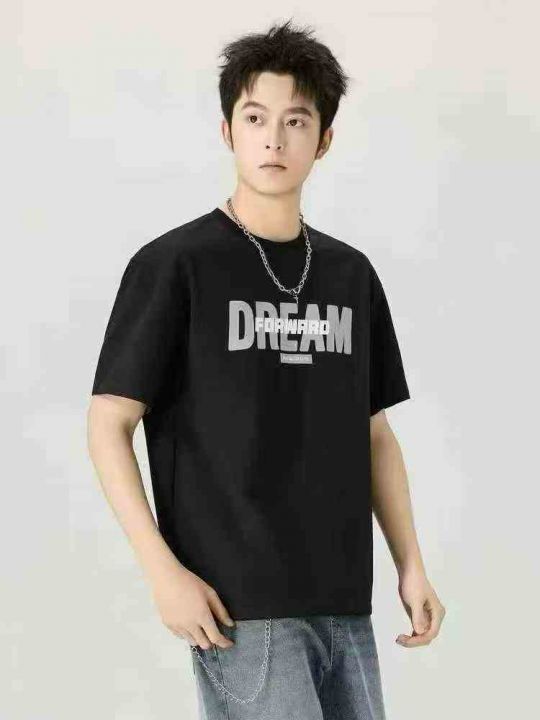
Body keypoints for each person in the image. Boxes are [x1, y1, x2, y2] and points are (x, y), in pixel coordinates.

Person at [87, 18, 445, 720]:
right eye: (255, 118)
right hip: (241, 608)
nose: (274, 140)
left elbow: (374, 434)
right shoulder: (176, 265)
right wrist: (162, 571)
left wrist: (410, 565)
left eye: (295, 121)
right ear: (228, 131)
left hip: (346, 604)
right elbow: (108, 423)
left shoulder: (351, 274)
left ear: (324, 139)